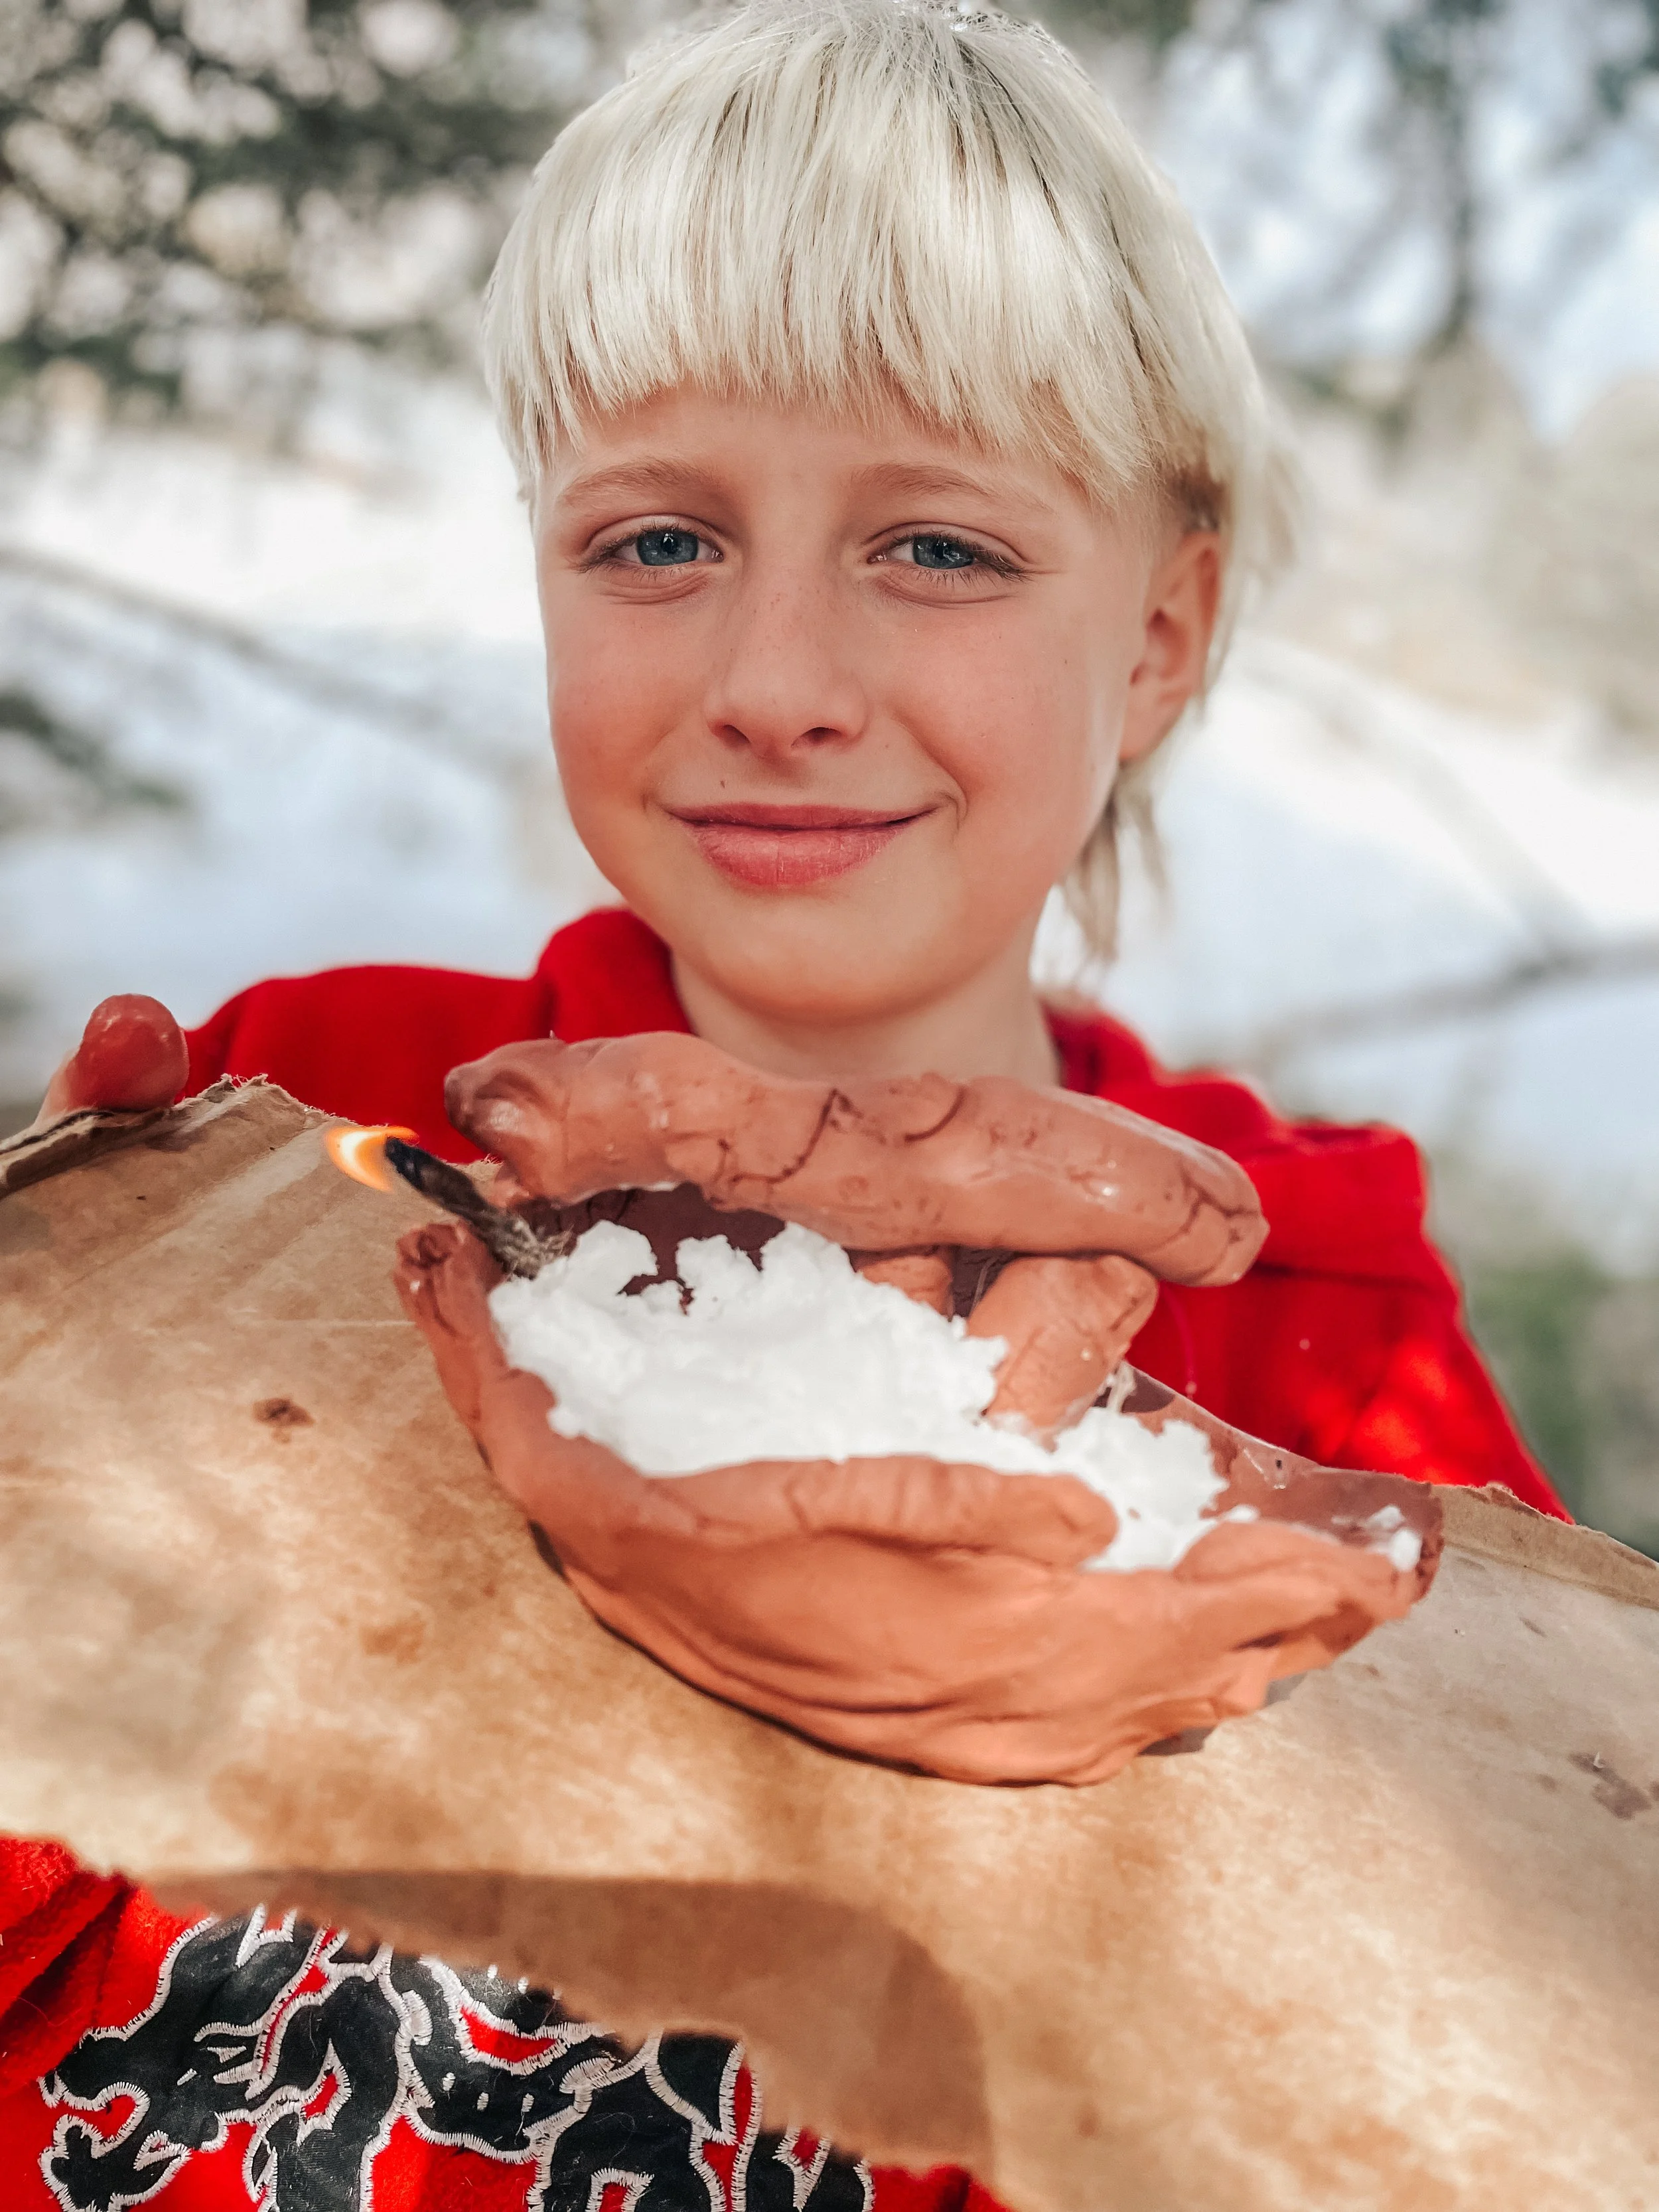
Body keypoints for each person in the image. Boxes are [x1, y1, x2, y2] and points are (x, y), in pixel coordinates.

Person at [1, 3, 1565, 2207]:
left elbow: (1471, 2091)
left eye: (935, 549)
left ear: (1158, 630)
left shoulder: (1333, 1370)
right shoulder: (321, 1116)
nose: (775, 687)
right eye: (656, 543)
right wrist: (53, 1460)